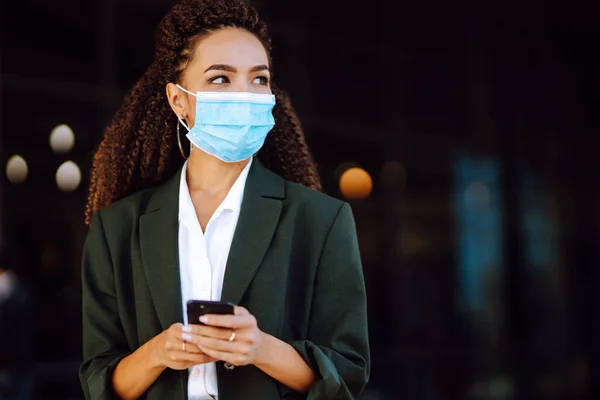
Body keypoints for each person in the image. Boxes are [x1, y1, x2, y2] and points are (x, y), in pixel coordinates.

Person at [79, 0, 370, 399]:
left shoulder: (320, 220)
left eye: (259, 79)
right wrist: (158, 353)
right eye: (220, 79)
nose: (245, 95)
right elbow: (98, 381)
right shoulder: (118, 228)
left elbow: (348, 376)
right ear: (178, 99)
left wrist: (263, 349)